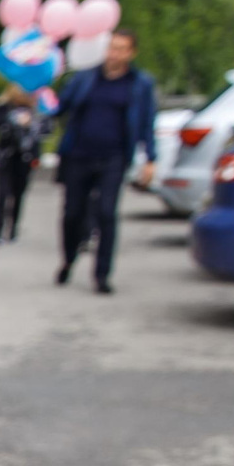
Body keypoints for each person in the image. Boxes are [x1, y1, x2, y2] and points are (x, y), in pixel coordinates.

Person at [52, 28, 158, 293]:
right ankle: (68, 260)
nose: (114, 54)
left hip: (114, 157)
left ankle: (102, 275)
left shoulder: (140, 84)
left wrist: (150, 159)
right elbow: (61, 107)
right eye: (112, 48)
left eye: (121, 49)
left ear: (131, 53)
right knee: (72, 213)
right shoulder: (85, 78)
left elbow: (146, 122)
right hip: (78, 155)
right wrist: (39, 98)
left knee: (106, 213)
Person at [0, 85, 50, 246]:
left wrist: (31, 121)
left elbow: (47, 130)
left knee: (18, 194)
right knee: (3, 194)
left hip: (26, 159)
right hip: (7, 157)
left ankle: (13, 229)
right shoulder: (6, 108)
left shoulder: (37, 110)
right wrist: (6, 107)